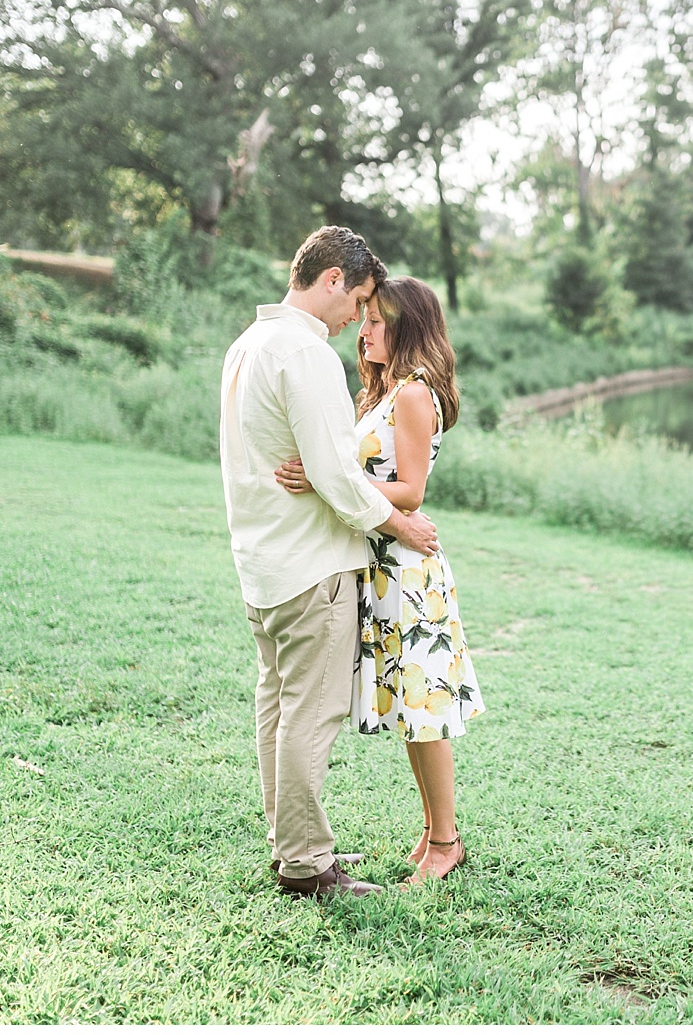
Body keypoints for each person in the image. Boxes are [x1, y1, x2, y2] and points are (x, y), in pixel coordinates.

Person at [220, 226, 440, 900]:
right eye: (360, 301)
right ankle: (309, 865)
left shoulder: (247, 344)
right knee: (310, 715)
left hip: (260, 561)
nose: (356, 320)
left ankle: (286, 842)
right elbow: (336, 476)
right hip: (310, 565)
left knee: (279, 708)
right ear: (333, 280)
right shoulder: (304, 354)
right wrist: (403, 523)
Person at [276, 274, 484, 886]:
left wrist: (324, 478)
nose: (362, 331)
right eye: (363, 319)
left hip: (408, 572)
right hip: (381, 565)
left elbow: (413, 491)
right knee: (411, 713)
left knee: (424, 711)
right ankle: (432, 832)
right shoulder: (387, 391)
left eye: (375, 321)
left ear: (406, 327)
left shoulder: (417, 393)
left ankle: (446, 843)